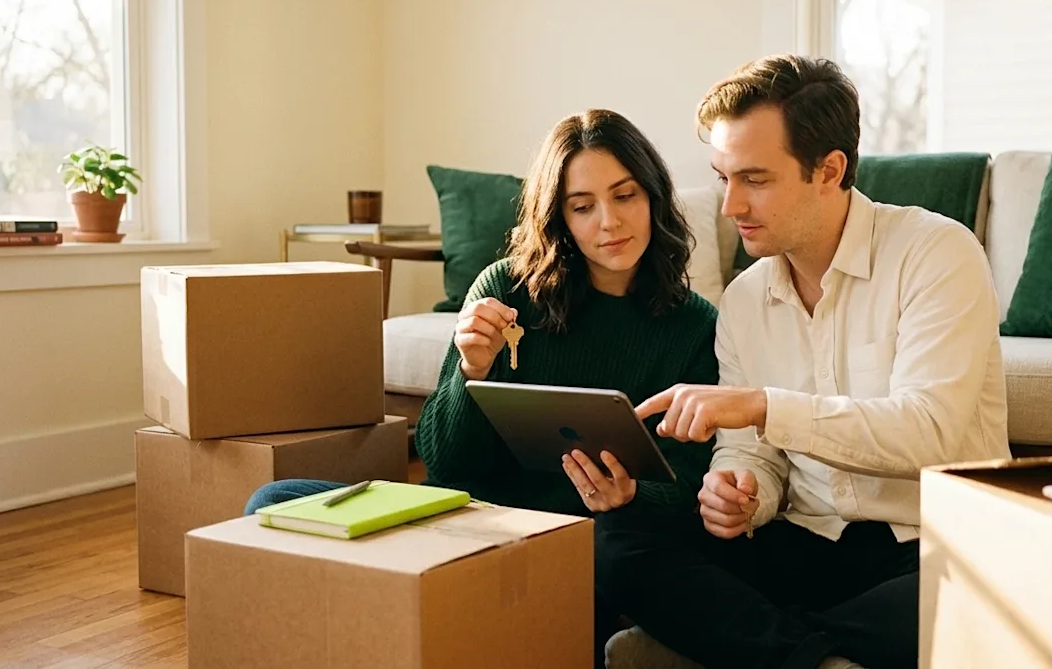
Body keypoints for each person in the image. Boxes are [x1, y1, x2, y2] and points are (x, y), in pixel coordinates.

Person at [593, 55, 1010, 669]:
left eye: (755, 179)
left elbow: (930, 432)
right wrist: (741, 490)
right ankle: (815, 656)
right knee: (614, 545)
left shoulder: (936, 253)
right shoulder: (743, 299)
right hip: (805, 540)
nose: (731, 205)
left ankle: (746, 648)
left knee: (993, 596)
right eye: (722, 176)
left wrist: (764, 406)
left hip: (931, 548)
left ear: (829, 170)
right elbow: (748, 452)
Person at [244, 107, 718, 521]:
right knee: (275, 499)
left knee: (613, 563)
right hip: (468, 517)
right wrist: (472, 369)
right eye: (582, 206)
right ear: (561, 219)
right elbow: (445, 466)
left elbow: (686, 486)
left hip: (589, 538)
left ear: (653, 196)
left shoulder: (695, 326)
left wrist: (631, 495)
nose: (609, 222)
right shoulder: (505, 288)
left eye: (625, 195)